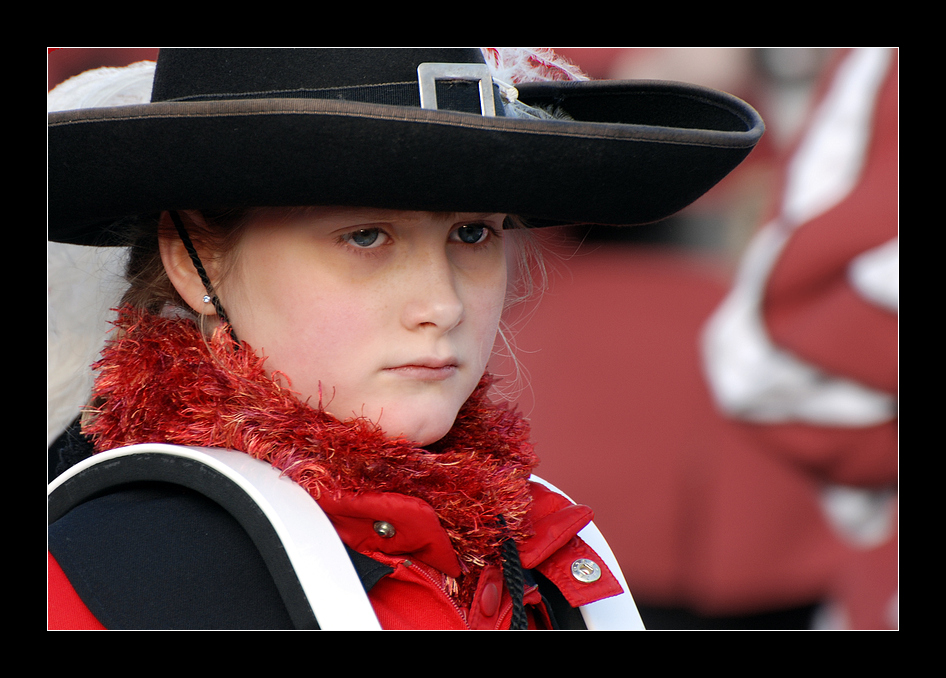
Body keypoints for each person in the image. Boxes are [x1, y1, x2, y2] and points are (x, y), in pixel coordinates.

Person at [47, 48, 763, 630]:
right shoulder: (95, 583)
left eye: (472, 233)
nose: (443, 303)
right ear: (191, 260)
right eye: (365, 235)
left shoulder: (539, 552)